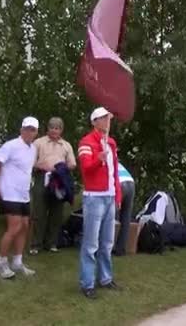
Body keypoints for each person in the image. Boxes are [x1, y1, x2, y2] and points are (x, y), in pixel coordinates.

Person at [77, 107, 122, 299]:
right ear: (95, 121)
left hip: (109, 196)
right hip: (94, 198)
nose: (107, 122)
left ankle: (105, 278)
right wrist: (98, 159)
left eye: (109, 118)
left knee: (107, 242)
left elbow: (115, 172)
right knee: (91, 243)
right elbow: (86, 168)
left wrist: (117, 195)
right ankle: (87, 283)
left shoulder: (111, 143)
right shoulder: (86, 142)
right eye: (103, 118)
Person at [0, 116, 39, 279]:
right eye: (26, 129)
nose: (29, 132)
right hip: (9, 193)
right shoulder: (11, 146)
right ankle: (1, 263)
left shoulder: (33, 149)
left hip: (23, 194)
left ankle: (17, 262)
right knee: (14, 227)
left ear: (36, 132)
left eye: (32, 130)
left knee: (24, 225)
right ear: (21, 130)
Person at [30, 117, 76, 255]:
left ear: (61, 130)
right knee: (39, 211)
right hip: (42, 177)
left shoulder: (66, 145)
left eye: (57, 128)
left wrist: (64, 168)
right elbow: (30, 161)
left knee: (57, 212)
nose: (54, 130)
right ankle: (36, 244)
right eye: (52, 127)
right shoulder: (38, 143)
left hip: (59, 179)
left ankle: (51, 243)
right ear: (47, 129)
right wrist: (41, 165)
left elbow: (72, 163)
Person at [112, 163, 135, 256]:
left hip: (120, 184)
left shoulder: (105, 162)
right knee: (126, 219)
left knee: (110, 217)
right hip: (131, 182)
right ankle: (121, 249)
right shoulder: (118, 163)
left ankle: (107, 247)